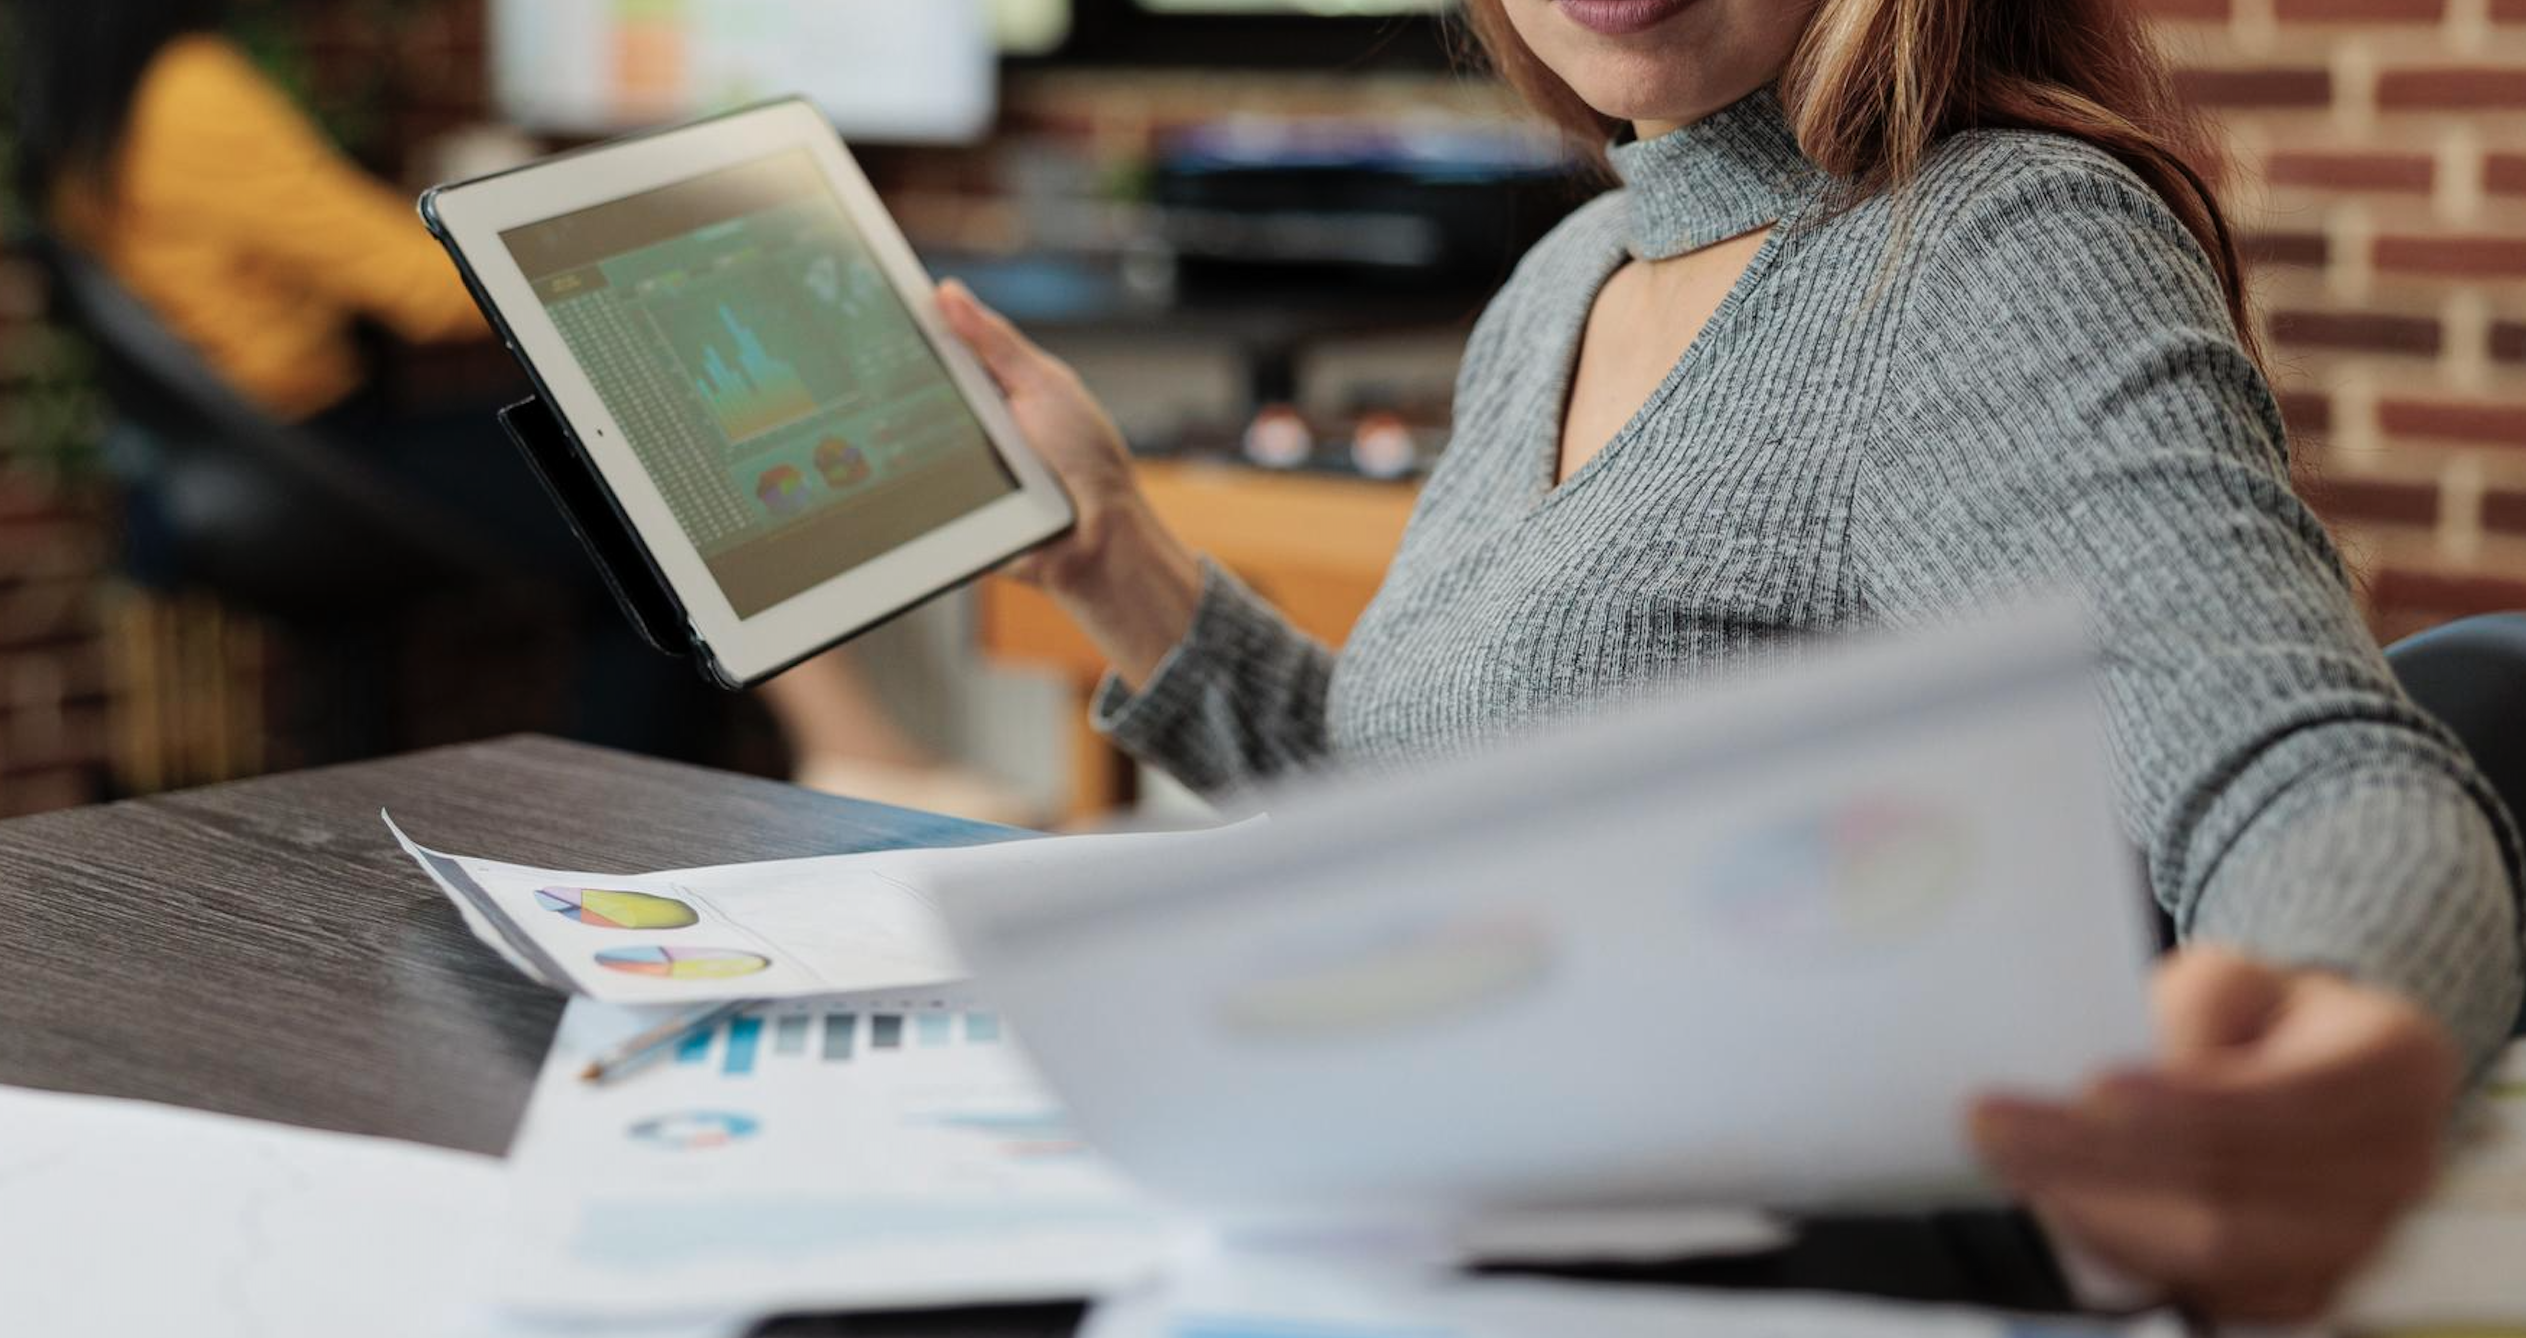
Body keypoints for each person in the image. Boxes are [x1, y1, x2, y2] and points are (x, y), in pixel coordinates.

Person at [933, 0, 2526, 1319]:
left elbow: (2311, 772)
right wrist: (1117, 558)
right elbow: (1439, 835)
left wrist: (2350, 1027)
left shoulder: (1992, 248)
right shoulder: (1564, 281)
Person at [6, 0, 1026, 815]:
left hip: (254, 463)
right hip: (319, 463)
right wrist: (568, 238)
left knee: (624, 533)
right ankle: (829, 754)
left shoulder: (89, 109)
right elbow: (415, 287)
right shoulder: (191, 91)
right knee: (662, 490)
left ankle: (665, 804)